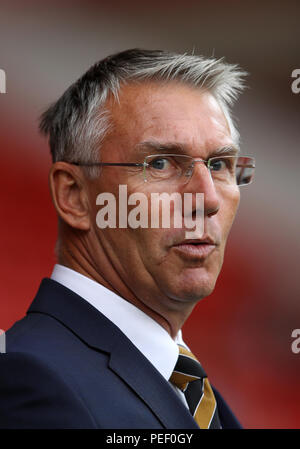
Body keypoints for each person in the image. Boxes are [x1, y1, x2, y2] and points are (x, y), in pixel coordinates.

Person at [0, 49, 255, 429]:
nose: (208, 198)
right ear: (74, 195)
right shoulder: (31, 378)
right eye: (160, 163)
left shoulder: (193, 391)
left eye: (219, 164)